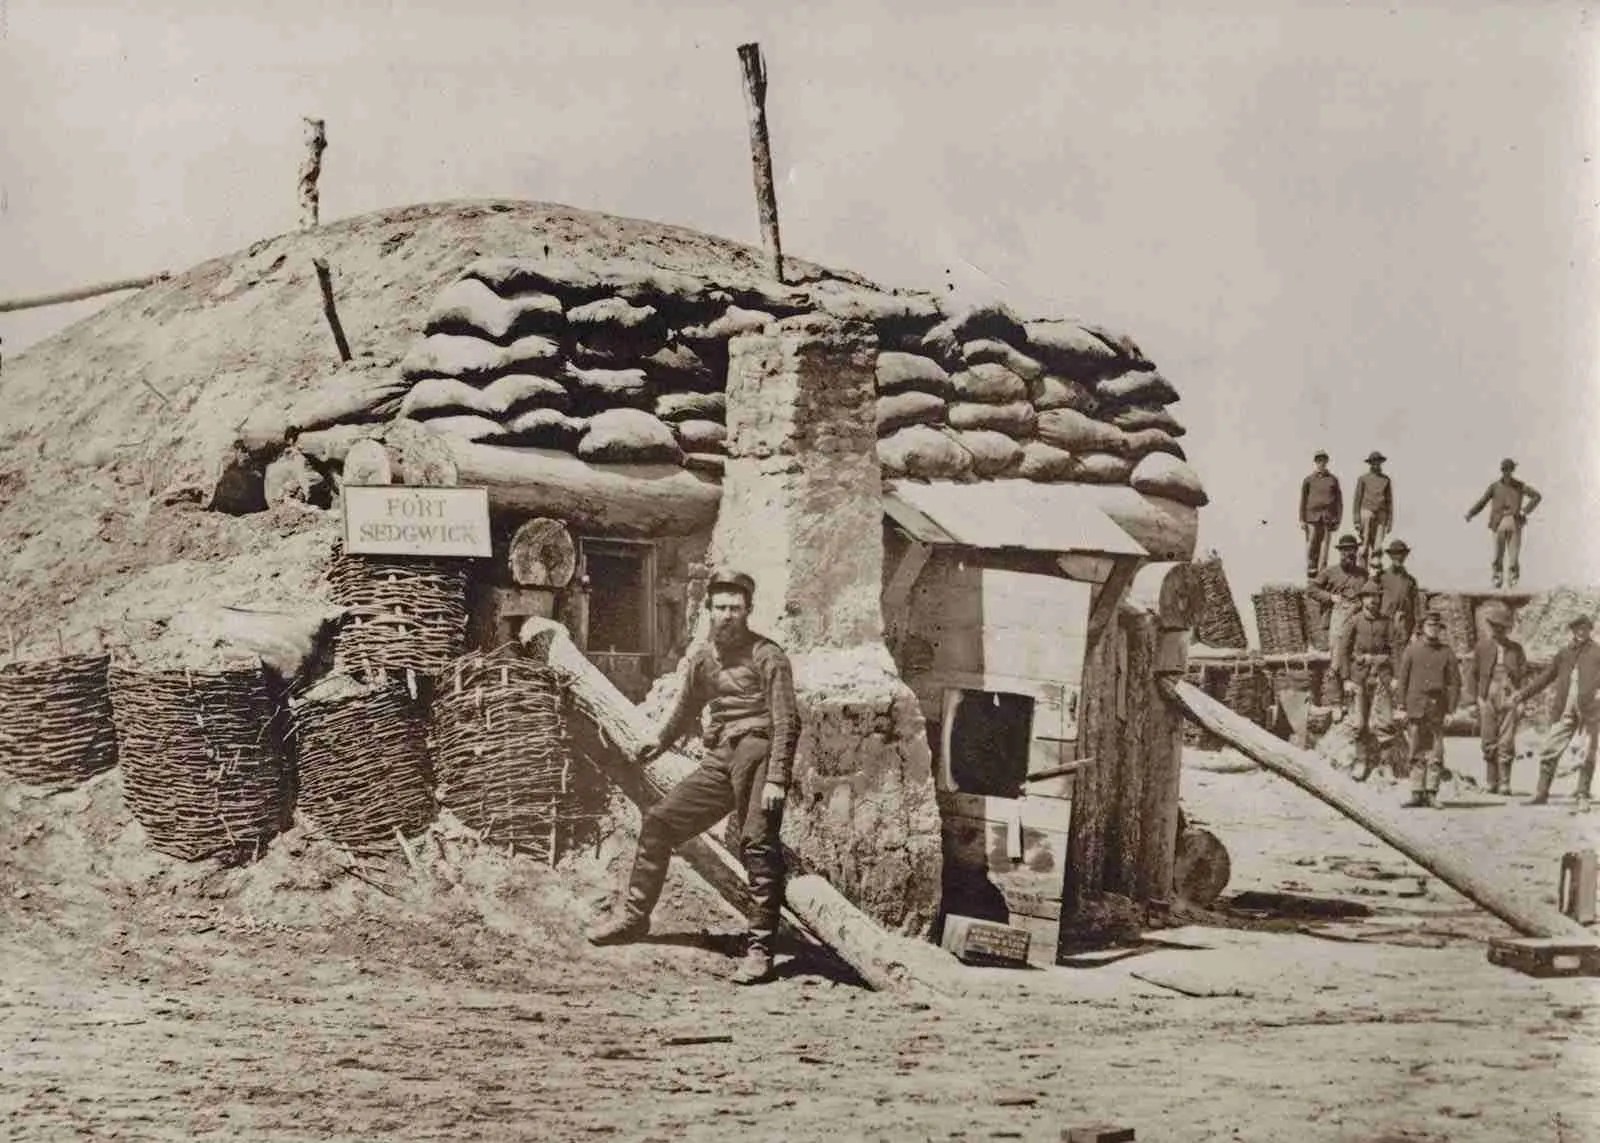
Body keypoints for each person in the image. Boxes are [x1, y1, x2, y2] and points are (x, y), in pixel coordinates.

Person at [585, 569, 801, 984]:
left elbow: (787, 721)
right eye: (720, 608)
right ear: (708, 611)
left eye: (735, 609)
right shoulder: (703, 658)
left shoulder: (768, 656)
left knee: (756, 842)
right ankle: (633, 918)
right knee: (661, 822)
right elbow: (685, 710)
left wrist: (777, 779)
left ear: (748, 611)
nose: (727, 616)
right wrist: (658, 744)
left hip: (758, 752)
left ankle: (760, 949)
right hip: (720, 759)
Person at [1511, 614, 1600, 810]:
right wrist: (1523, 694)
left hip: (1590, 711)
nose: (1581, 632)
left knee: (1586, 753)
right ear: (1573, 631)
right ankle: (1541, 793)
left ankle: (1582, 795)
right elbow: (1546, 677)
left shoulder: (1597, 652)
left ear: (1590, 630)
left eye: (1585, 628)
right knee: (1550, 748)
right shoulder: (1564, 654)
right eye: (1578, 629)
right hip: (1564, 709)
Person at [1394, 610, 1461, 809]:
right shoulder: (1412, 650)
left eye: (1437, 627)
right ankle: (1416, 793)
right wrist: (1400, 706)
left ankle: (1432, 793)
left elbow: (1454, 683)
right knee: (1415, 750)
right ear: (1422, 628)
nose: (1433, 630)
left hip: (1437, 708)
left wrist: (1450, 710)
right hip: (1415, 707)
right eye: (1429, 626)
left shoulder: (1447, 652)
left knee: (1436, 752)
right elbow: (1403, 680)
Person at [1335, 581, 1397, 781]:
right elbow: (1343, 650)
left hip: (1382, 676)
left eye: (1376, 597)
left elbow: (1395, 650)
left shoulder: (1387, 623)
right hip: (1358, 676)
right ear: (1361, 600)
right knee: (1359, 722)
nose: (1372, 600)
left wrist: (1394, 676)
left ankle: (1386, 765)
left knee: (1385, 722)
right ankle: (1361, 762)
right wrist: (1345, 679)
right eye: (1368, 597)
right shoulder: (1354, 621)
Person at [1465, 601, 1528, 795]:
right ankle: (1491, 782)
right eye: (1494, 627)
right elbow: (1472, 674)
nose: (1497, 632)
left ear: (1506, 630)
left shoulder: (1516, 649)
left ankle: (1505, 783)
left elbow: (1524, 676)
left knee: (1507, 739)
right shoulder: (1482, 647)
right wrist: (1472, 701)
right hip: (1487, 694)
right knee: (1488, 737)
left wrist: (1523, 700)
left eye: (1501, 628)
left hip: (1510, 694)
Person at [1464, 458, 1542, 589]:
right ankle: (1497, 579)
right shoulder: (1494, 487)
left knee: (1514, 555)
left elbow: (1537, 496)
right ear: (1502, 471)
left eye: (1510, 469)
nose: (1507, 472)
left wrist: (1525, 511)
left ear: (1512, 470)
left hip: (1514, 522)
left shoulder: (1519, 485)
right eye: (1505, 469)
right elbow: (1482, 501)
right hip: (1498, 523)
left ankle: (1513, 580)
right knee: (1497, 554)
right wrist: (1471, 513)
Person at [1307, 535, 1368, 679]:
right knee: (1337, 656)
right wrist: (1330, 597)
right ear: (1340, 552)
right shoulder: (1330, 572)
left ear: (1356, 552)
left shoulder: (1363, 574)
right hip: (1336, 620)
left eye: (1351, 550)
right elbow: (1311, 589)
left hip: (1357, 619)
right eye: (1344, 551)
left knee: (1355, 657)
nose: (1348, 554)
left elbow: (1369, 592)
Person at [1299, 449, 1343, 577]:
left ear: (1327, 462)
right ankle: (1312, 568)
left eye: (1323, 460)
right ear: (1315, 462)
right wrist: (1302, 519)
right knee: (1312, 544)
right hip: (1311, 517)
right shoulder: (1308, 480)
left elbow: (1339, 502)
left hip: (1328, 518)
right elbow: (1303, 500)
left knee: (1325, 547)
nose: (1321, 463)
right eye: (1319, 461)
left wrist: (1338, 519)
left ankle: (1322, 572)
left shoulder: (1333, 480)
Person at [1375, 538, 1423, 655]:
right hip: (1384, 623)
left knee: (1401, 658)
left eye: (1401, 554)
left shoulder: (1410, 581)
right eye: (1395, 554)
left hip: (1403, 625)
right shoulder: (1381, 577)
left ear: (1405, 556)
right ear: (1390, 556)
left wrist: (1416, 631)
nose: (1398, 557)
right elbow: (1373, 600)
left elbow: (1417, 608)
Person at [1352, 451, 1394, 570]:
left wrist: (1389, 522)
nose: (1376, 464)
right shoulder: (1363, 479)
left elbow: (1389, 502)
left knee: (1377, 545)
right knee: (1364, 543)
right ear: (1370, 464)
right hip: (1367, 511)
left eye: (1378, 462)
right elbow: (1357, 499)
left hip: (1381, 513)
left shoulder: (1386, 480)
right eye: (1374, 462)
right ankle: (1362, 570)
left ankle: (1375, 571)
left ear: (1381, 463)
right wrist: (1356, 520)